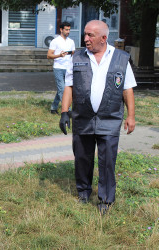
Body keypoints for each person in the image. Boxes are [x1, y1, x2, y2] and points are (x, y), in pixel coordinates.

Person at [59, 20, 136, 215]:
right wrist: (64, 112)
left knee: (108, 160)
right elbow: (69, 86)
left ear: (104, 38)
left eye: (90, 35)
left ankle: (106, 199)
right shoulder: (76, 57)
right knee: (82, 158)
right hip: (82, 118)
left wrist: (131, 116)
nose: (85, 39)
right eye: (85, 34)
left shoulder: (121, 58)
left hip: (109, 119)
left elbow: (127, 90)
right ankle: (83, 192)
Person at [47, 21, 75, 115]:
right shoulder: (55, 41)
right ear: (61, 30)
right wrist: (59, 55)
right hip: (58, 68)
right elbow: (49, 55)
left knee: (63, 89)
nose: (68, 31)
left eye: (69, 30)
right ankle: (67, 110)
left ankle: (53, 107)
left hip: (68, 68)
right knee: (62, 89)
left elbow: (73, 54)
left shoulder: (71, 41)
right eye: (66, 30)